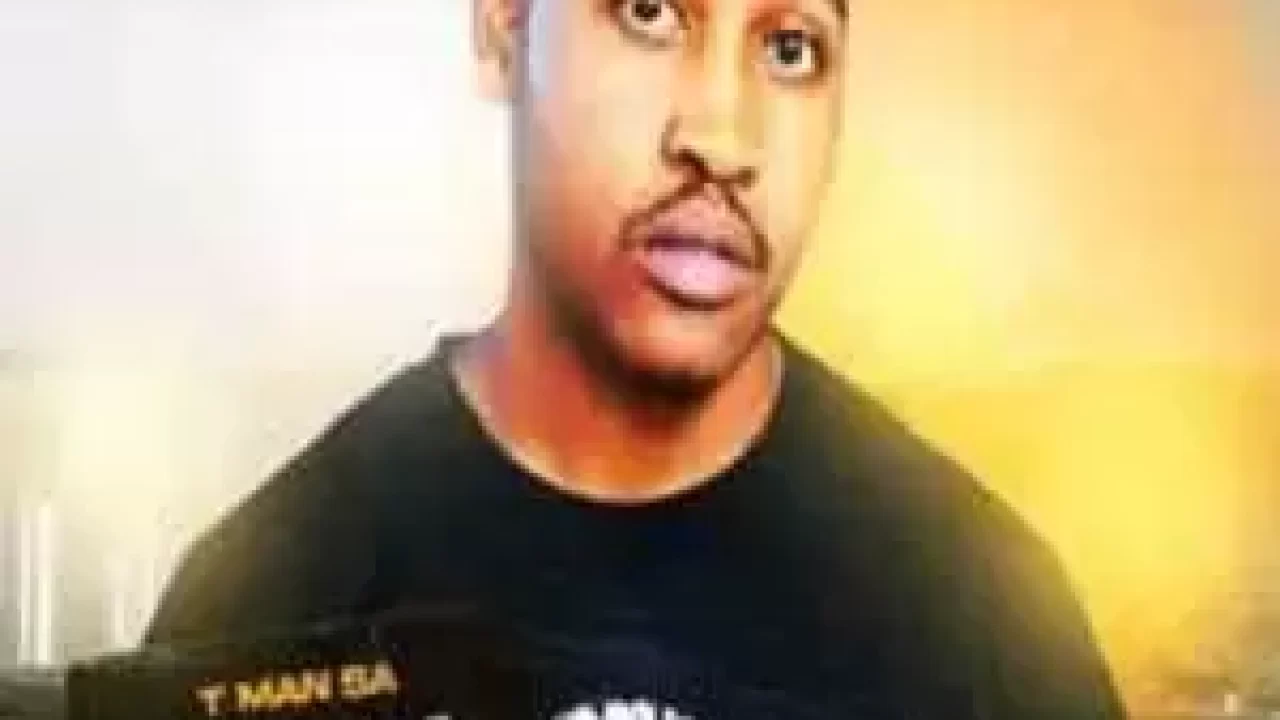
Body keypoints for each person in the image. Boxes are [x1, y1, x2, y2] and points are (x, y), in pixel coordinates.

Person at [144, 0, 1127, 716]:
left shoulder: (985, 623)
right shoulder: (265, 602)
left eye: (789, 47)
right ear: (502, 29)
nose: (721, 137)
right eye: (649, 12)